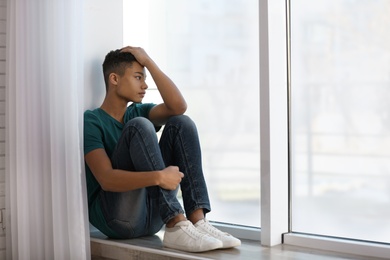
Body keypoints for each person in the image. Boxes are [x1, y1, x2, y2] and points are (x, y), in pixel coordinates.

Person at [83, 46, 241, 253]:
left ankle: (196, 221)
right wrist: (158, 177)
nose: (145, 85)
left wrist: (147, 61)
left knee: (181, 122)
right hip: (117, 219)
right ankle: (176, 221)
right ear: (114, 79)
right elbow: (106, 179)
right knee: (139, 125)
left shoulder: (138, 111)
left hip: (151, 216)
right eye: (138, 77)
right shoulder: (92, 120)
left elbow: (178, 107)